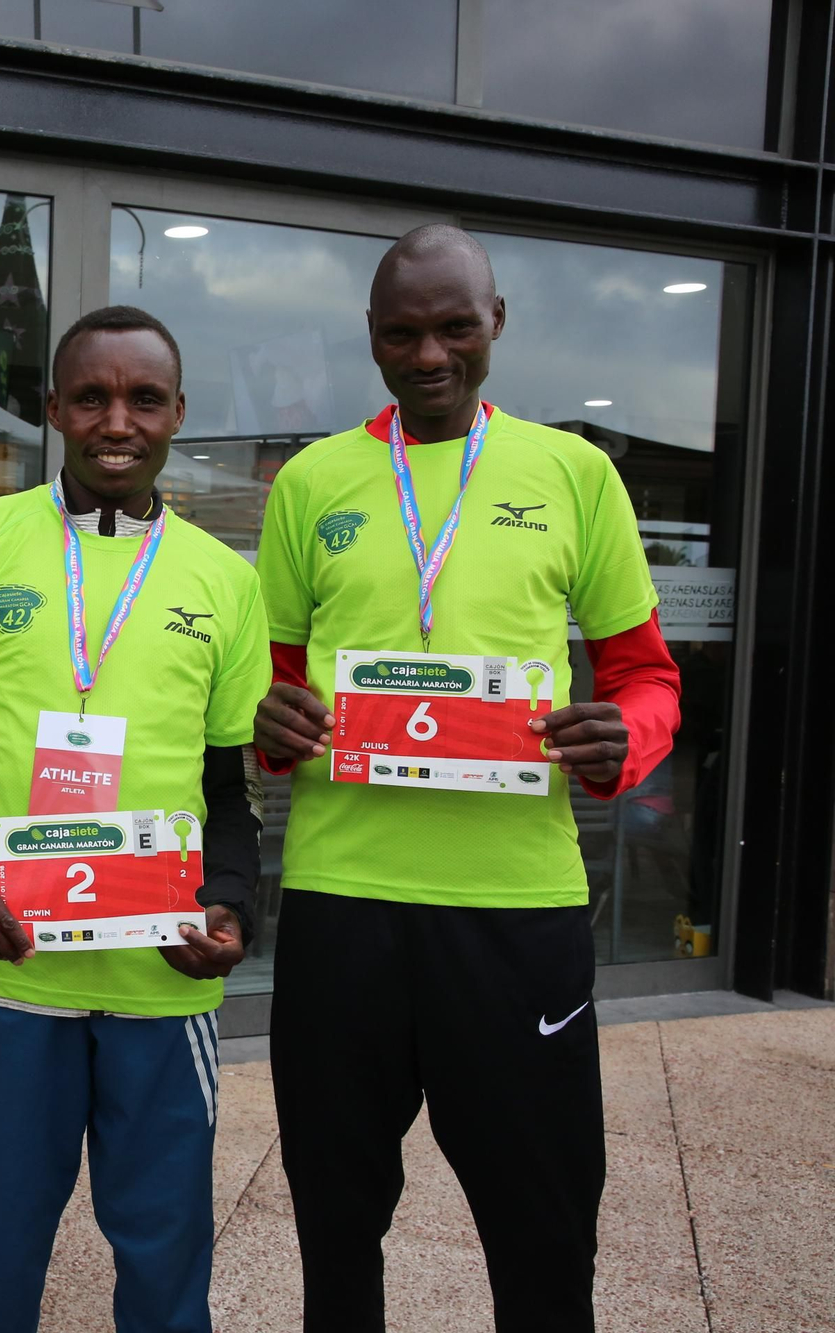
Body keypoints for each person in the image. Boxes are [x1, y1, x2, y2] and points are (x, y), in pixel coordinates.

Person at [253, 224, 682, 1333]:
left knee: (540, 1230)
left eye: (453, 327)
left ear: (495, 322)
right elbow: (269, 686)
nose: (429, 354)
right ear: (371, 338)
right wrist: (267, 724)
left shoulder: (572, 474)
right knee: (334, 1225)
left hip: (512, 910)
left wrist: (620, 739)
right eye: (402, 333)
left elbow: (645, 676)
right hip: (341, 904)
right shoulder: (311, 481)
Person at [0, 305, 269, 1333]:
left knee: (163, 1258)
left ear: (175, 413)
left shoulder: (225, 581)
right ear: (52, 408)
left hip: (158, 983)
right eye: (91, 395)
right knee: (1, 1257)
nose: (117, 419)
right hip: (13, 976)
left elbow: (229, 793)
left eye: (143, 398)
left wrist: (229, 907)